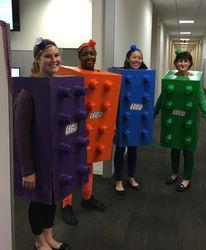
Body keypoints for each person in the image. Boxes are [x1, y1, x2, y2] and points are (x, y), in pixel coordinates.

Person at [15, 38, 70, 250]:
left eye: (56, 55)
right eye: (48, 56)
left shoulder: (56, 86)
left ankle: (49, 236)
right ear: (37, 59)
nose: (54, 59)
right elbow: (21, 132)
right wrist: (27, 170)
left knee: (52, 197)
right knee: (39, 200)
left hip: (54, 157)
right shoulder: (29, 91)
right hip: (38, 159)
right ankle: (39, 241)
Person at [154, 50, 206, 192]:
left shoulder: (195, 81)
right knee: (174, 147)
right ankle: (174, 173)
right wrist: (154, 113)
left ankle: (186, 178)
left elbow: (202, 99)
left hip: (188, 120)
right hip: (174, 118)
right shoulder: (170, 78)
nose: (182, 63)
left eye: (185, 61)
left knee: (188, 150)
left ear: (190, 63)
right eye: (180, 60)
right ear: (175, 62)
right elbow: (163, 98)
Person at [61, 39, 105, 226]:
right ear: (79, 57)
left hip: (92, 128)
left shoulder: (102, 77)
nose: (89, 57)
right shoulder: (71, 76)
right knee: (70, 167)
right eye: (85, 54)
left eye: (92, 53)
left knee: (88, 167)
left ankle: (87, 198)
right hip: (74, 127)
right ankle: (66, 205)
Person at [114, 44, 148, 195]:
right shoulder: (120, 75)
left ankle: (131, 177)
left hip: (135, 118)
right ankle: (118, 180)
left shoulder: (145, 75)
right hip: (121, 118)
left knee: (133, 149)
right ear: (128, 58)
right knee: (120, 149)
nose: (137, 60)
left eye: (139, 57)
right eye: (134, 57)